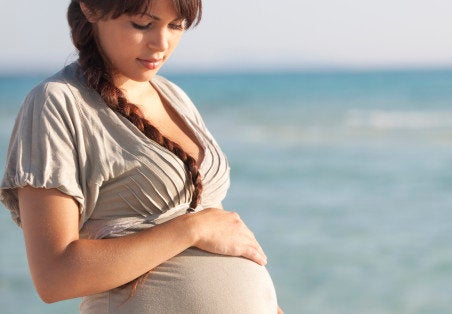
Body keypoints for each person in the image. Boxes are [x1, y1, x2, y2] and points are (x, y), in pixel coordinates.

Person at [0, 0, 282, 313]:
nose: (161, 44)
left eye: (176, 26)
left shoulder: (173, 96)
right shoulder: (56, 103)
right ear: (92, 10)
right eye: (143, 24)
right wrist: (192, 229)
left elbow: (218, 228)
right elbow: (54, 277)